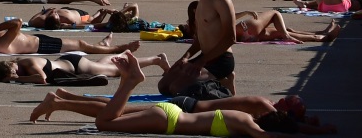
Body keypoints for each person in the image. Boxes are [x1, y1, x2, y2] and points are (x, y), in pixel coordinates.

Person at [30, 51, 334, 135]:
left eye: (287, 102)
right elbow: (286, 128)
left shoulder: (259, 108)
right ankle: (62, 101)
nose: (282, 100)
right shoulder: (263, 109)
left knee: (117, 110)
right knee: (114, 113)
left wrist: (311, 125)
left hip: (189, 106)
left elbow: (286, 125)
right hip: (188, 107)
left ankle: (63, 100)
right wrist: (316, 129)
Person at [161, 0, 236, 97]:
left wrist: (201, 61)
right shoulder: (203, 0)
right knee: (164, 86)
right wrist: (185, 57)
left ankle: (224, 84)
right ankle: (215, 80)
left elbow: (231, 38)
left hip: (221, 60)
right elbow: (201, 38)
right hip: (205, 57)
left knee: (177, 89)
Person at [0, 17, 140, 56]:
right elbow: (17, 23)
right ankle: (118, 49)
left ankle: (103, 44)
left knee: (82, 44)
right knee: (81, 45)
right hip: (44, 46)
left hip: (38, 38)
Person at [0, 49, 169, 84]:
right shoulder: (20, 64)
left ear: (12, 66)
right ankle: (122, 55)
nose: (17, 73)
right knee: (104, 64)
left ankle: (156, 59)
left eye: (14, 72)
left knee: (116, 71)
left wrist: (17, 78)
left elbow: (41, 79)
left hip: (76, 66)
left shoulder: (27, 64)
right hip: (71, 63)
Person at [233, 9, 340, 44]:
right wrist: (245, 12)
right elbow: (230, 17)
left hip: (246, 37)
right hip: (246, 27)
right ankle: (286, 36)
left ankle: (322, 36)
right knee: (275, 13)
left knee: (284, 30)